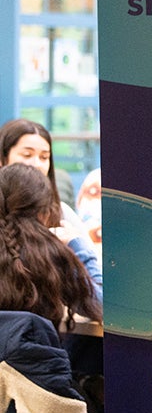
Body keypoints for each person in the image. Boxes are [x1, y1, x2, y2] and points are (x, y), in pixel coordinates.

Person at [0, 162, 105, 413]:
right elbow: (106, 307)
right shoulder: (52, 253)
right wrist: (77, 242)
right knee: (77, 412)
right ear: (46, 209)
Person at [0, 119, 101, 300]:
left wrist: (74, 244)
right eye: (27, 154)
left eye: (44, 157)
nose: (37, 164)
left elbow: (99, 298)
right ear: (3, 158)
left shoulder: (62, 215)